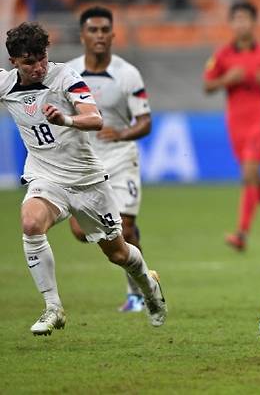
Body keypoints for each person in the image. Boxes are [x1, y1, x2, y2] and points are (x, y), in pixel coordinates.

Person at [0, 22, 166, 336]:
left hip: (86, 180)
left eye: (41, 58)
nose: (38, 67)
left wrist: (66, 119)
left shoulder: (65, 77)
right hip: (45, 176)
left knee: (118, 253)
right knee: (31, 223)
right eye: (29, 62)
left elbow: (95, 118)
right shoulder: (6, 85)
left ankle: (148, 286)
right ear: (14, 63)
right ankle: (53, 308)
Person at [66, 6, 153, 312]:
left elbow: (145, 121)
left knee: (124, 231)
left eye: (105, 30)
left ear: (114, 35)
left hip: (119, 157)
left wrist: (122, 133)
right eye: (93, 30)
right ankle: (131, 246)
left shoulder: (127, 74)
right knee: (80, 231)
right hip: (85, 164)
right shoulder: (69, 74)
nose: (99, 36)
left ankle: (137, 294)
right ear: (82, 36)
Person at [204, 1, 260, 251]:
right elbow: (207, 86)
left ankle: (242, 233)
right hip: (235, 121)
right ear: (231, 23)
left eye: (245, 19)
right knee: (254, 176)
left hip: (259, 119)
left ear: (253, 22)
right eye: (236, 19)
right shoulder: (222, 55)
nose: (241, 24)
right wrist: (225, 80)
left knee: (249, 173)